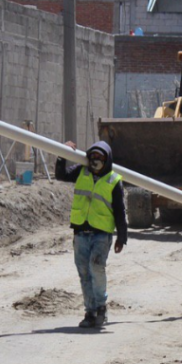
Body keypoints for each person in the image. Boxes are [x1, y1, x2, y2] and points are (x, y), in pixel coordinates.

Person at [56, 141, 128, 329]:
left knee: (96, 267)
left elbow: (120, 211)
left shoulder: (114, 180)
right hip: (81, 232)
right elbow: (60, 174)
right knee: (84, 272)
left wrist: (122, 237)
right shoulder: (81, 171)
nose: (95, 161)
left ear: (107, 160)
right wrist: (62, 153)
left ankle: (101, 307)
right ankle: (90, 312)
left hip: (101, 234)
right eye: (92, 157)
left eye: (99, 157)